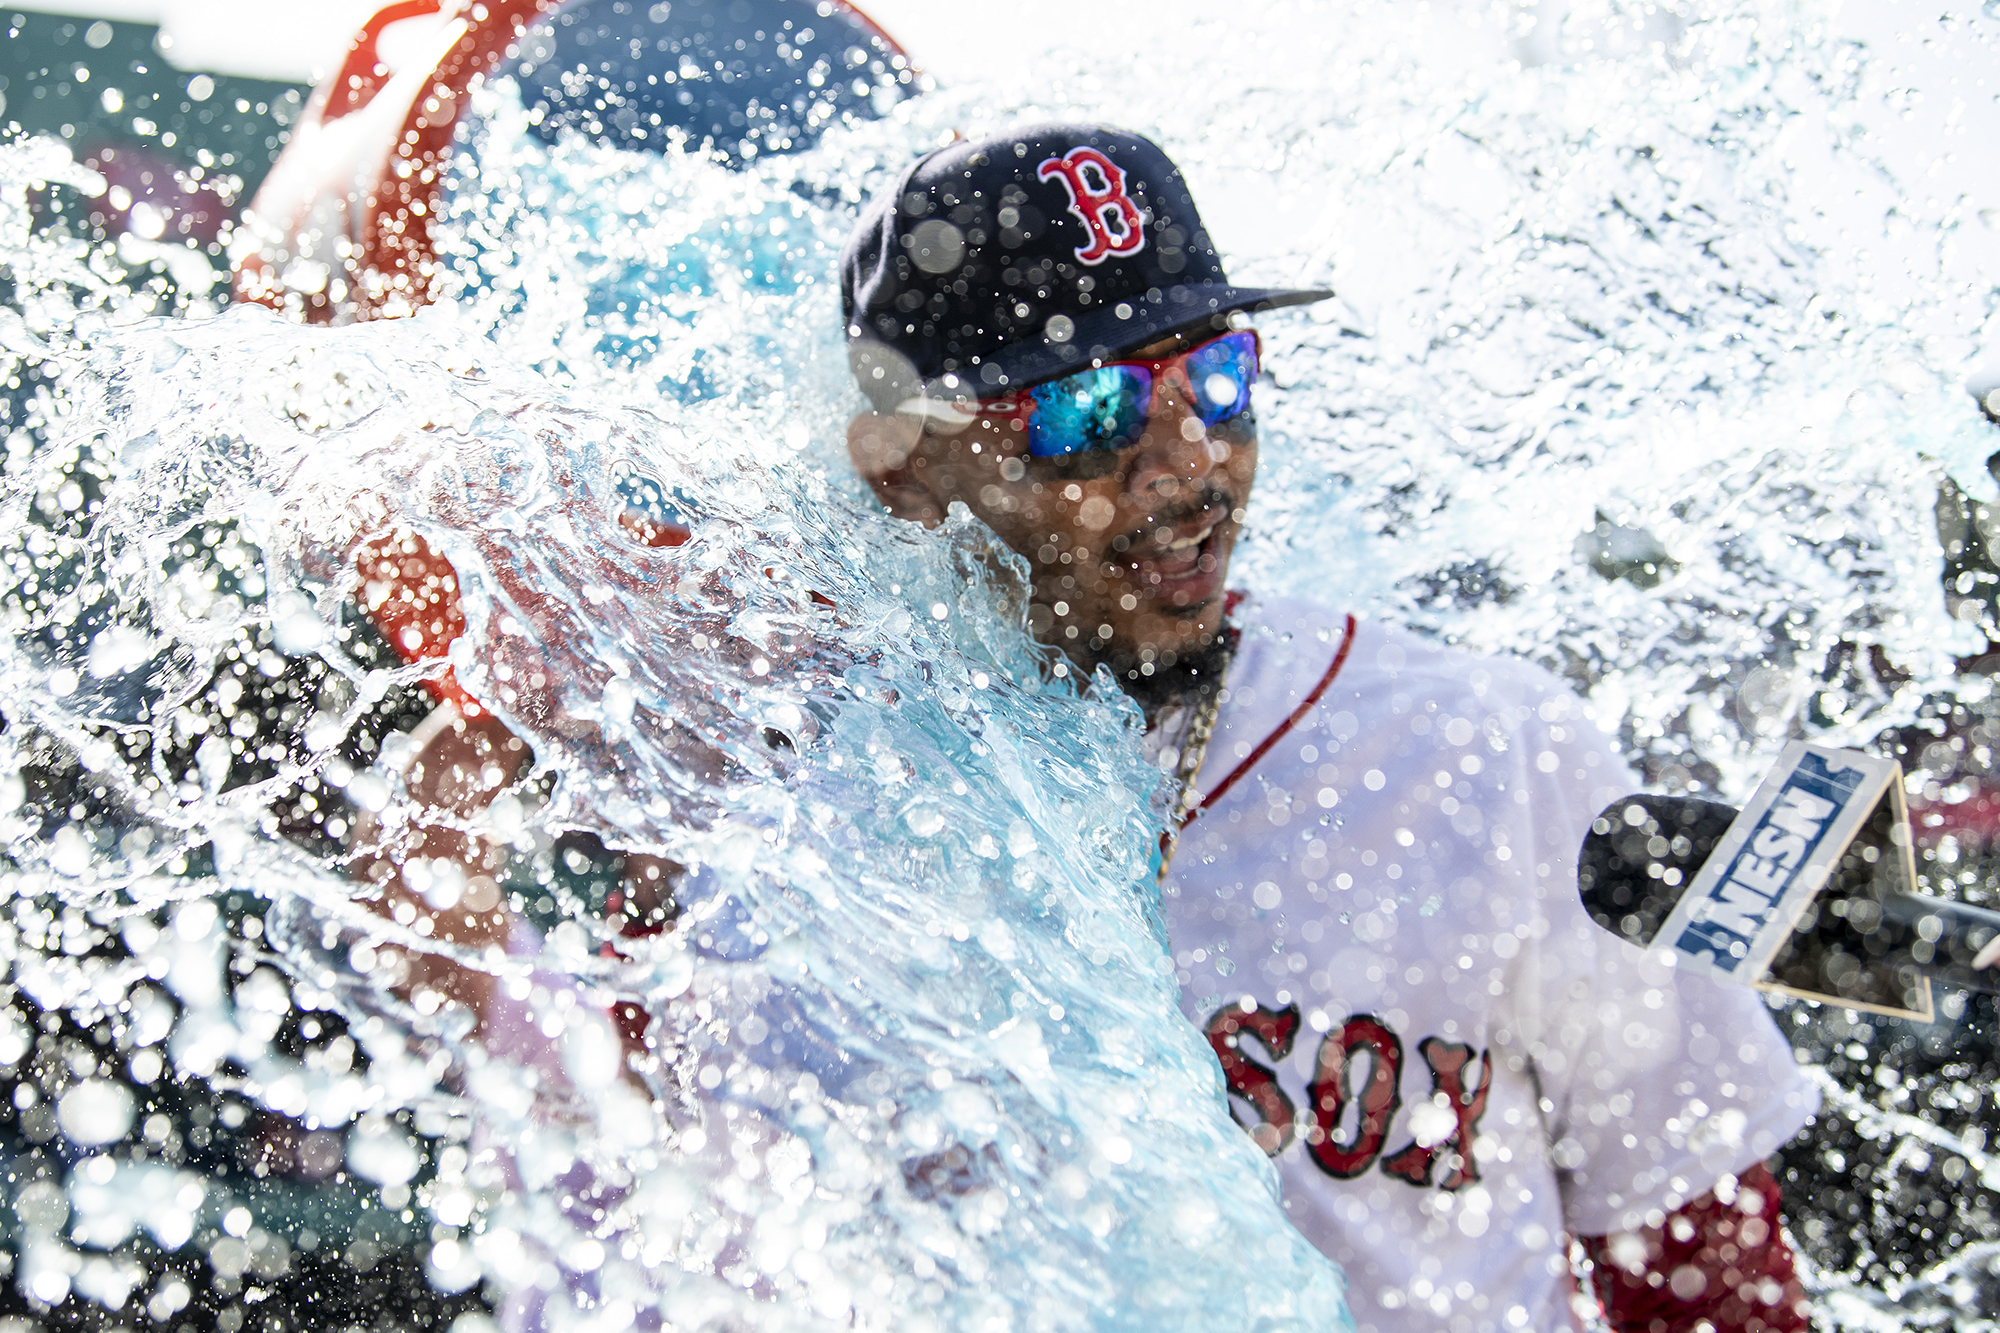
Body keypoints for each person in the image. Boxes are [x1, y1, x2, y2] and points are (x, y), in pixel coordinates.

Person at [839, 122, 1821, 1333]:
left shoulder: (1489, 753)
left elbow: (1703, 1262)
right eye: (1088, 407)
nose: (1186, 464)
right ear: (905, 466)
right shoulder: (841, 832)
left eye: (1218, 378)